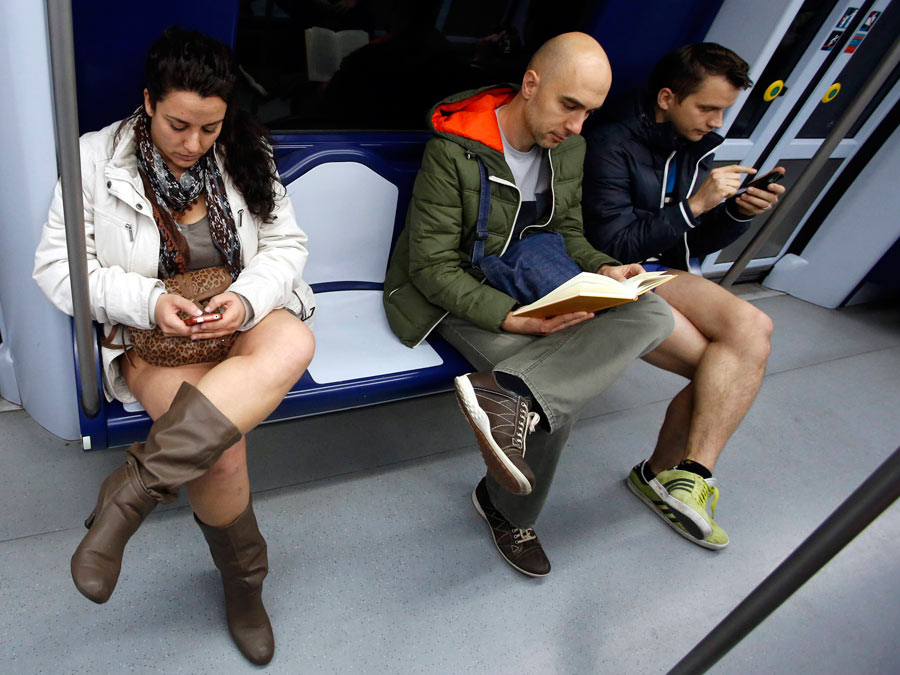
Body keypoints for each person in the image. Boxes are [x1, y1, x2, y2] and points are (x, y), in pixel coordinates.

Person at [33, 27, 315, 665]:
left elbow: (286, 247)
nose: (194, 145)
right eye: (179, 125)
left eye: (210, 128)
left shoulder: (244, 151)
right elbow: (58, 270)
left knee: (293, 338)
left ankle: (132, 493)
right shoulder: (94, 159)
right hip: (155, 335)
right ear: (148, 103)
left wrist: (244, 301)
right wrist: (149, 302)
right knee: (220, 454)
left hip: (232, 313)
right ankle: (246, 588)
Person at [383, 32, 674, 577]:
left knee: (653, 312)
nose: (576, 126)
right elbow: (432, 268)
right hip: (456, 294)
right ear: (531, 84)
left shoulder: (567, 147)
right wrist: (511, 318)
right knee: (548, 382)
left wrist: (604, 268)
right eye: (570, 106)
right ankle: (505, 508)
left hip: (534, 276)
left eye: (589, 113)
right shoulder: (455, 149)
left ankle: (513, 398)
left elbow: (568, 233)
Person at [582, 43, 782, 550]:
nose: (715, 122)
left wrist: (735, 213)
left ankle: (692, 474)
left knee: (754, 329)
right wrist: (695, 204)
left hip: (663, 272)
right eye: (707, 108)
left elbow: (687, 241)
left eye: (723, 111)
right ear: (668, 97)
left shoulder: (692, 144)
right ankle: (657, 477)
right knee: (727, 368)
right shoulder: (610, 142)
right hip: (615, 275)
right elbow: (614, 244)